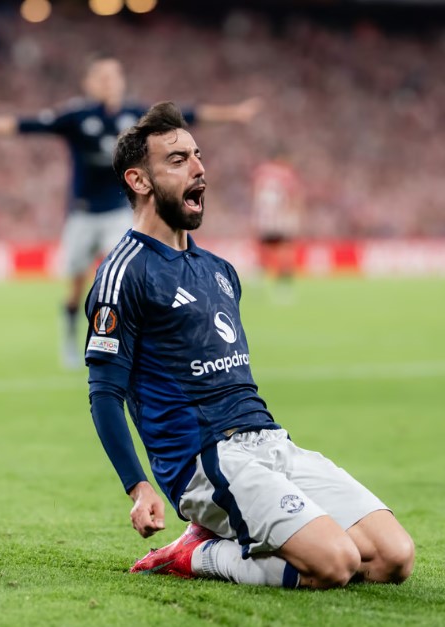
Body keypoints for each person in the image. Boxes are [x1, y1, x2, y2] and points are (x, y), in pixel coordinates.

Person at [84, 102, 414, 589]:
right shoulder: (124, 271)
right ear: (139, 181)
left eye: (198, 155)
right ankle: (196, 553)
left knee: (392, 558)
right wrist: (138, 486)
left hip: (272, 444)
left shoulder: (219, 270)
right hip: (206, 459)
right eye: (177, 160)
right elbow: (104, 393)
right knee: (336, 565)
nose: (199, 168)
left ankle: (226, 533)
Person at [0, 54, 262, 368]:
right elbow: (26, 124)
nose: (108, 82)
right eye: (101, 77)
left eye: (113, 76)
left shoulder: (137, 115)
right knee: (76, 283)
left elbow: (189, 114)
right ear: (89, 84)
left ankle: (131, 345)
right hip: (82, 213)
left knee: (125, 276)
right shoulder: (76, 115)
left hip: (117, 212)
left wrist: (234, 114)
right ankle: (69, 338)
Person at [253, 146, 304, 301]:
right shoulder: (286, 173)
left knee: (265, 248)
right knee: (285, 251)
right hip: (281, 217)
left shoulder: (262, 171)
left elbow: (257, 193)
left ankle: (259, 280)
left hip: (264, 217)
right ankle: (283, 287)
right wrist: (296, 214)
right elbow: (294, 194)